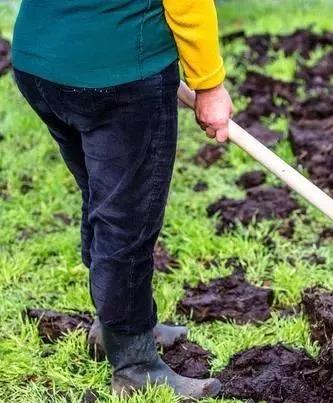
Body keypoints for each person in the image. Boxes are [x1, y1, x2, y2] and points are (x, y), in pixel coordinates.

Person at [11, 0, 232, 398]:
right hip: (118, 77)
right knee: (126, 219)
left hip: (39, 63)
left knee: (103, 196)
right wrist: (210, 85)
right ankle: (134, 364)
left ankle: (119, 324)